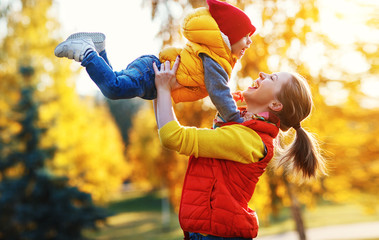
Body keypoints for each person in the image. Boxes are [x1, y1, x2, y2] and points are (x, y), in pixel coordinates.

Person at [153, 57, 326, 240]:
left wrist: (163, 89)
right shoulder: (242, 128)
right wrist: (160, 92)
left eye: (272, 78)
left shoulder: (248, 139)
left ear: (275, 105)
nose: (262, 74)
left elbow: (172, 137)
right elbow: (166, 130)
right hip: (211, 233)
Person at [54, 0, 255, 123]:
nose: (250, 41)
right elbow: (219, 92)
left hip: (151, 70)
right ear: (230, 35)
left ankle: (100, 49)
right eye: (246, 36)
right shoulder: (214, 59)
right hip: (152, 73)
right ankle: (88, 52)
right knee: (113, 89)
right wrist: (234, 117)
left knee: (114, 80)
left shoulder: (214, 53)